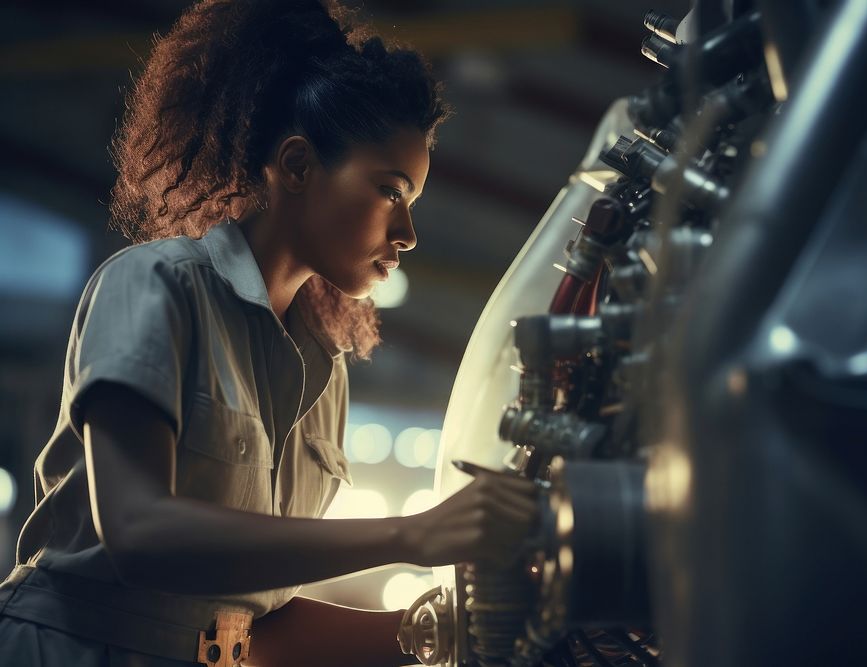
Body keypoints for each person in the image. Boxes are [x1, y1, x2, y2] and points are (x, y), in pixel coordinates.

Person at [0, 1, 539, 665]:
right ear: (297, 164)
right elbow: (139, 531)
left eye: (413, 201)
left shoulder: (325, 369)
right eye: (389, 191)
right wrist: (412, 533)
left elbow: (262, 622)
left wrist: (463, 632)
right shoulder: (155, 286)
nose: (407, 233)